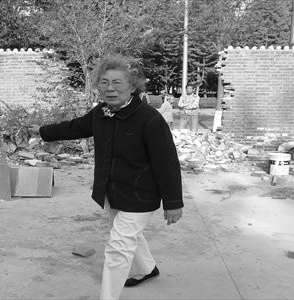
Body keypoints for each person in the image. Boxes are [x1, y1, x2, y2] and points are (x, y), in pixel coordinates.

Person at [30, 54, 183, 300]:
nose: (109, 88)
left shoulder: (150, 120)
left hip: (140, 194)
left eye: (117, 82)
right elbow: (75, 127)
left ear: (132, 86)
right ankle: (147, 269)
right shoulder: (101, 112)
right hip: (111, 191)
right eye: (104, 82)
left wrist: (173, 203)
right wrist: (42, 131)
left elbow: (167, 164)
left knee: (118, 247)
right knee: (125, 234)